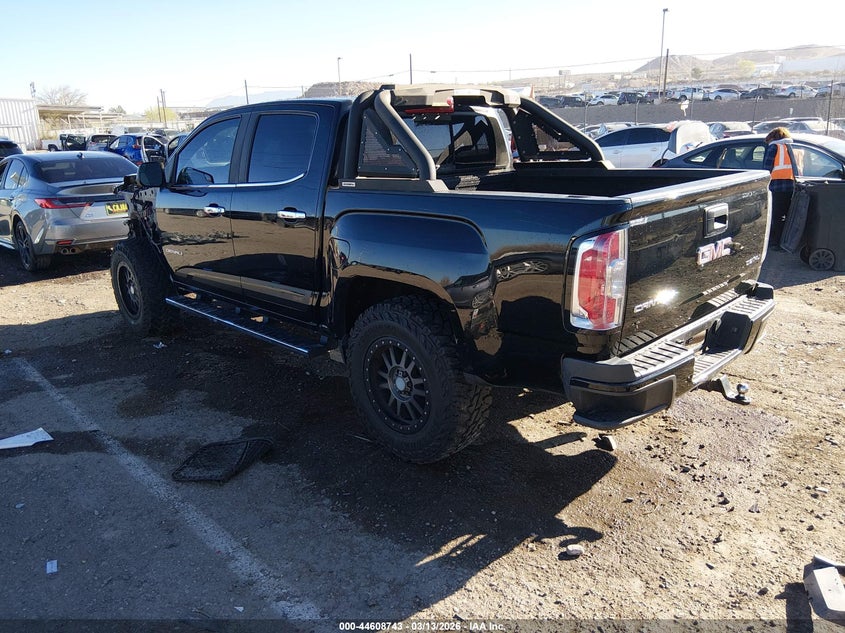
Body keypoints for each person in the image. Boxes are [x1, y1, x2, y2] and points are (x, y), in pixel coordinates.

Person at [762, 127, 798, 248]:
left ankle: (774, 241)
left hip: (776, 186)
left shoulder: (774, 147)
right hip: (793, 186)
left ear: (773, 138)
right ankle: (787, 241)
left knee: (776, 216)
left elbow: (766, 168)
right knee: (789, 215)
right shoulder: (794, 148)